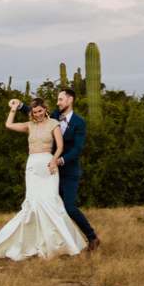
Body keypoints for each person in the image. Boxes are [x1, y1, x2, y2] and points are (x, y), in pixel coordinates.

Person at [0, 98, 89, 261]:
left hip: (48, 165)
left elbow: (59, 146)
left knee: (52, 202)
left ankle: (64, 244)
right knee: (32, 205)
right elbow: (8, 125)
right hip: (33, 165)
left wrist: (54, 160)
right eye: (34, 112)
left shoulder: (53, 123)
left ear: (45, 109)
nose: (37, 114)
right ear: (32, 113)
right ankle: (32, 243)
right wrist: (13, 108)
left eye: (40, 111)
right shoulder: (29, 125)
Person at [52, 86, 100, 253]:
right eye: (57, 100)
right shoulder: (53, 116)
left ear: (70, 100)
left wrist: (62, 160)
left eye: (60, 99)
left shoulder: (79, 122)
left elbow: (78, 148)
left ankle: (92, 236)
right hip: (52, 173)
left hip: (70, 172)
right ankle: (59, 243)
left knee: (69, 207)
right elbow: (36, 112)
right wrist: (21, 107)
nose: (57, 103)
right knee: (51, 207)